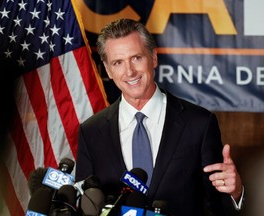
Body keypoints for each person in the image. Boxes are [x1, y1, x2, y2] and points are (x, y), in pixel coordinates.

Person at [75, 18, 244, 215]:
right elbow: (86, 208)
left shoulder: (199, 124)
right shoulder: (91, 132)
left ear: (153, 58)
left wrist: (236, 192)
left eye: (136, 58)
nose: (130, 71)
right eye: (118, 62)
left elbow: (217, 207)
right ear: (108, 69)